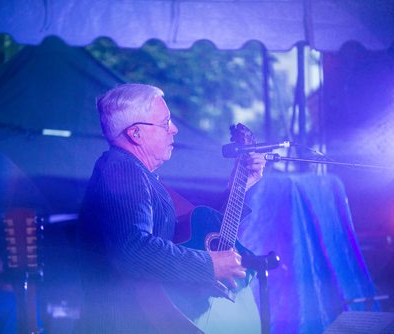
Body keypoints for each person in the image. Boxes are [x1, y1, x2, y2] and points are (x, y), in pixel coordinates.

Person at [76, 83, 266, 333]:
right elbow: (132, 247)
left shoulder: (136, 174)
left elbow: (198, 233)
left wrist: (242, 185)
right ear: (136, 134)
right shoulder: (122, 169)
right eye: (165, 122)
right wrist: (209, 266)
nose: (174, 129)